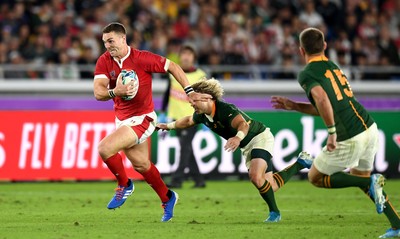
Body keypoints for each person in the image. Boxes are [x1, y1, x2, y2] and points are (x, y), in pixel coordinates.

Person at [271, 27, 400, 238]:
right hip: (369, 128)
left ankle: (370, 181)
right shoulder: (333, 67)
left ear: (301, 51)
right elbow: (325, 105)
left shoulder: (307, 73)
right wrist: (295, 106)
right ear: (325, 46)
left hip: (349, 135)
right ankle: (396, 224)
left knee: (316, 177)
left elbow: (322, 100)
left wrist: (331, 132)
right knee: (361, 178)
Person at [93, 22, 211, 222]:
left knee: (105, 148)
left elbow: (172, 66)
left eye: (111, 41)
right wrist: (116, 91)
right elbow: (98, 92)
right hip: (122, 119)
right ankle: (168, 197)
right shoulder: (104, 61)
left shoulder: (141, 58)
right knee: (141, 165)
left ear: (123, 38)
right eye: (105, 42)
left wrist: (189, 91)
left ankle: (124, 184)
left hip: (143, 118)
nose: (107, 46)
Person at [156, 78, 313, 222]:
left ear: (207, 98)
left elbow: (243, 125)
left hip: (259, 137)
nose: (191, 104)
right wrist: (168, 126)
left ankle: (275, 213)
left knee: (255, 176)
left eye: (194, 100)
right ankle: (301, 163)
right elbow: (188, 120)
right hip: (246, 146)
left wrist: (237, 138)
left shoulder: (224, 109)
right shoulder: (202, 115)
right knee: (270, 186)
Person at [160, 44, 207, 188]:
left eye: (189, 54)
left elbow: (207, 97)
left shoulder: (200, 76)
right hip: (176, 117)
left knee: (184, 147)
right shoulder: (174, 73)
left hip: (192, 117)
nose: (186, 57)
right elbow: (168, 92)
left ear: (194, 58)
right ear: (180, 57)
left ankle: (177, 180)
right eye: (184, 54)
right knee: (187, 148)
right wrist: (163, 112)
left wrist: (207, 116)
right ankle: (199, 180)